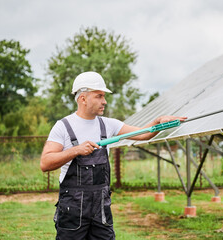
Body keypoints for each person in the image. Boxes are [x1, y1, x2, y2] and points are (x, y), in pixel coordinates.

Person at [40, 71, 186, 240]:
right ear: (83, 99)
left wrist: (159, 122)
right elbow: (45, 162)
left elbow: (143, 134)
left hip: (100, 210)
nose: (105, 101)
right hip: (72, 211)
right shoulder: (63, 127)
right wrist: (76, 150)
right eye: (99, 96)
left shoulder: (108, 125)